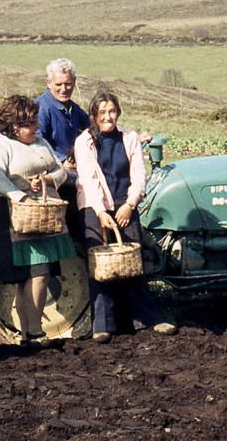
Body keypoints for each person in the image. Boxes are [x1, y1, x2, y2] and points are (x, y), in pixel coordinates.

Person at [74, 90, 177, 342]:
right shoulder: (85, 141)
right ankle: (103, 324)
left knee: (133, 261)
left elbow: (138, 174)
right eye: (102, 112)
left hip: (124, 205)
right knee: (101, 264)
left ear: (117, 112)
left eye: (112, 111)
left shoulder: (129, 138)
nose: (108, 116)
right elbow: (88, 179)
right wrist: (100, 212)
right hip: (93, 206)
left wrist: (130, 204)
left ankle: (146, 319)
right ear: (94, 115)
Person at [0, 95, 75, 345]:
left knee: (42, 272)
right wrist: (20, 195)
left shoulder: (40, 142)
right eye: (31, 122)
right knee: (26, 274)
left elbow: (59, 169)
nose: (37, 126)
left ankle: (33, 331)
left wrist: (45, 180)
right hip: (14, 215)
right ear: (14, 125)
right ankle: (30, 332)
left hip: (43, 216)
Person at [36, 58, 92, 163]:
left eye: (68, 84)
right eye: (58, 84)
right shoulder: (41, 108)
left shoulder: (73, 108)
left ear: (74, 81)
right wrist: (62, 161)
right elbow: (37, 144)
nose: (64, 89)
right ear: (48, 83)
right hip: (53, 167)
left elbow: (92, 127)